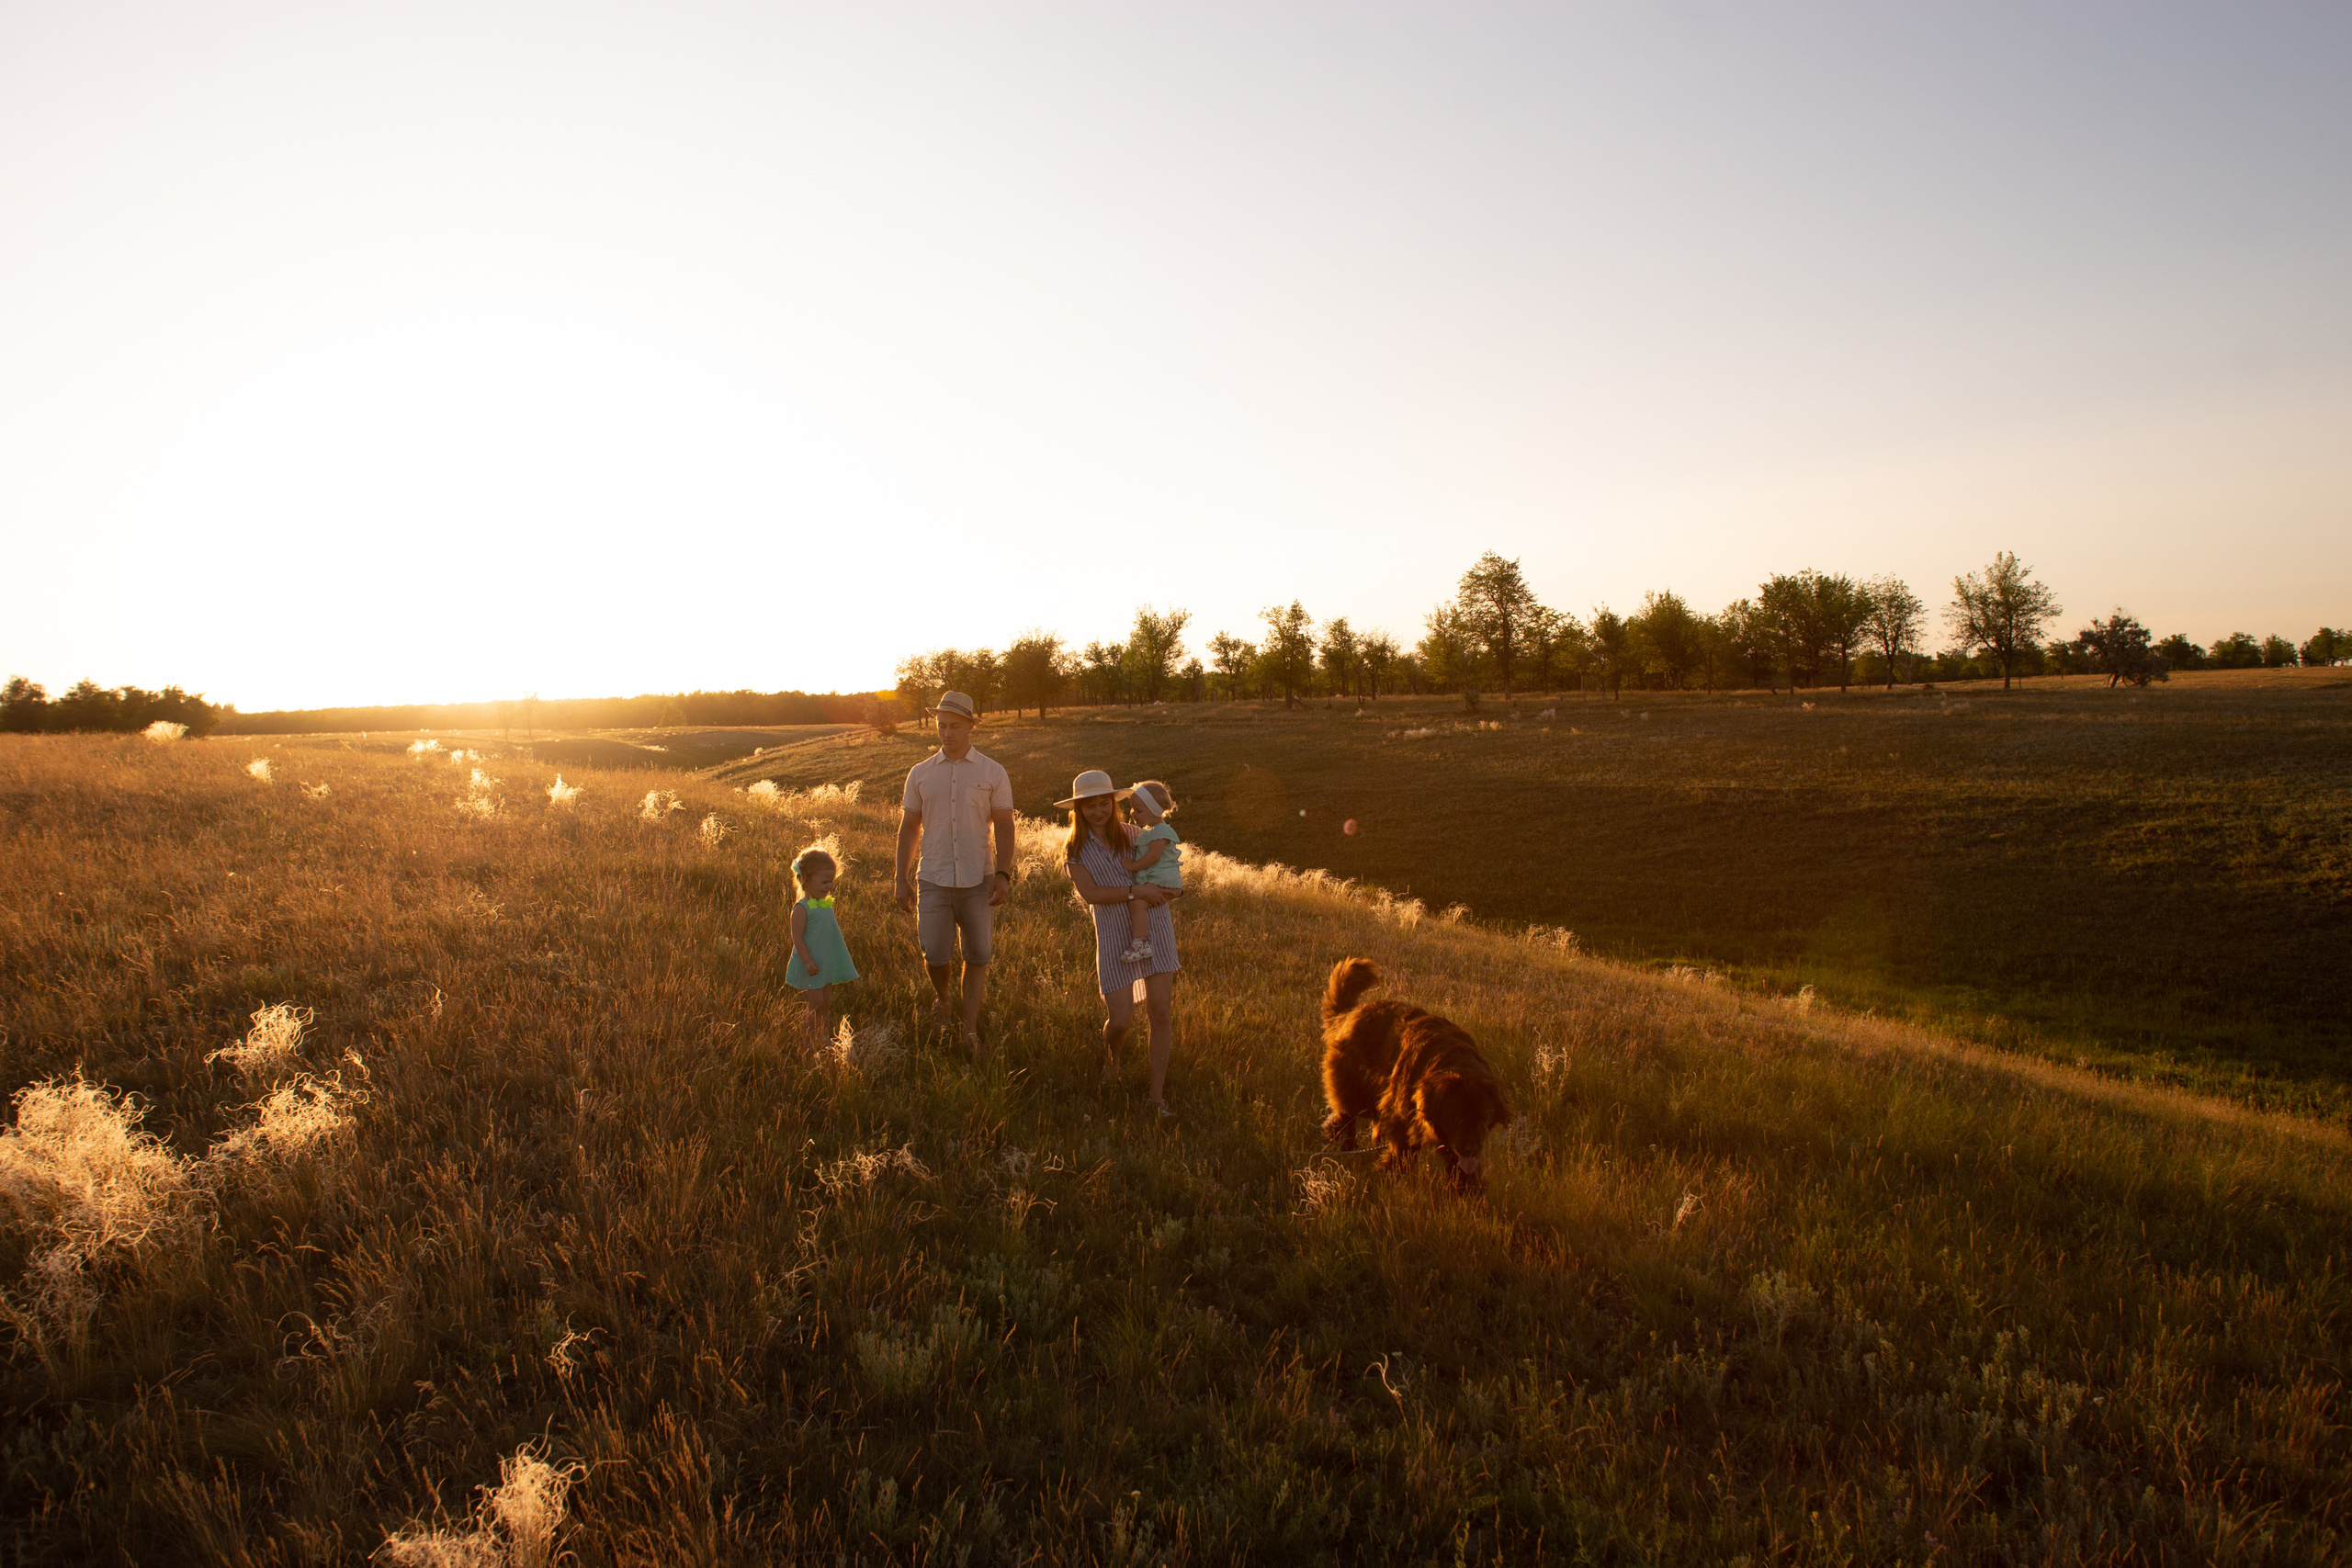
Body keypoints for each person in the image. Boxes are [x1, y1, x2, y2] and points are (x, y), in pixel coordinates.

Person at [894, 691, 1018, 1054]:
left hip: (977, 879)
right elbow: (909, 829)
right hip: (932, 876)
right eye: (941, 726)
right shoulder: (920, 774)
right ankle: (944, 998)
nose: (946, 733)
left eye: (954, 726)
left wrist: (1003, 873)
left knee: (978, 954)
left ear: (970, 726)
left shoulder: (992, 771)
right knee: (934, 953)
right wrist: (900, 879)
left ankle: (969, 1028)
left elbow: (1005, 826)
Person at [1059, 770, 1182, 1118]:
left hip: (1154, 928)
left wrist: (1170, 889)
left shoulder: (1135, 835)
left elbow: (1166, 866)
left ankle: (1156, 1098)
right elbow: (1090, 894)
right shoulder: (1075, 848)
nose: (1098, 811)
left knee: (1160, 1012)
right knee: (1121, 1020)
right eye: (1089, 806)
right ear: (1078, 810)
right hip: (1114, 935)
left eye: (1104, 803)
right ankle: (1112, 1061)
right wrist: (1134, 891)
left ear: (1114, 804)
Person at [784, 846, 857, 1053]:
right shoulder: (802, 908)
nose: (830, 886)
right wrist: (807, 961)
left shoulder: (824, 904)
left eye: (831, 881)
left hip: (825, 961)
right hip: (812, 964)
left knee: (825, 1002)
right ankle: (807, 1040)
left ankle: (823, 1036)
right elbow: (797, 938)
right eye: (825, 882)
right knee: (814, 1001)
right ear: (806, 880)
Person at [1117, 779, 1182, 965]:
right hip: (1160, 880)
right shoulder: (1149, 831)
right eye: (1132, 808)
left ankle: (1141, 944)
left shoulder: (1160, 830)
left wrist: (1133, 866)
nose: (1132, 813)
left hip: (1164, 881)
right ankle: (1142, 942)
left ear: (1154, 810)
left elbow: (1153, 857)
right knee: (1140, 904)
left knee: (1137, 903)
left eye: (1138, 810)